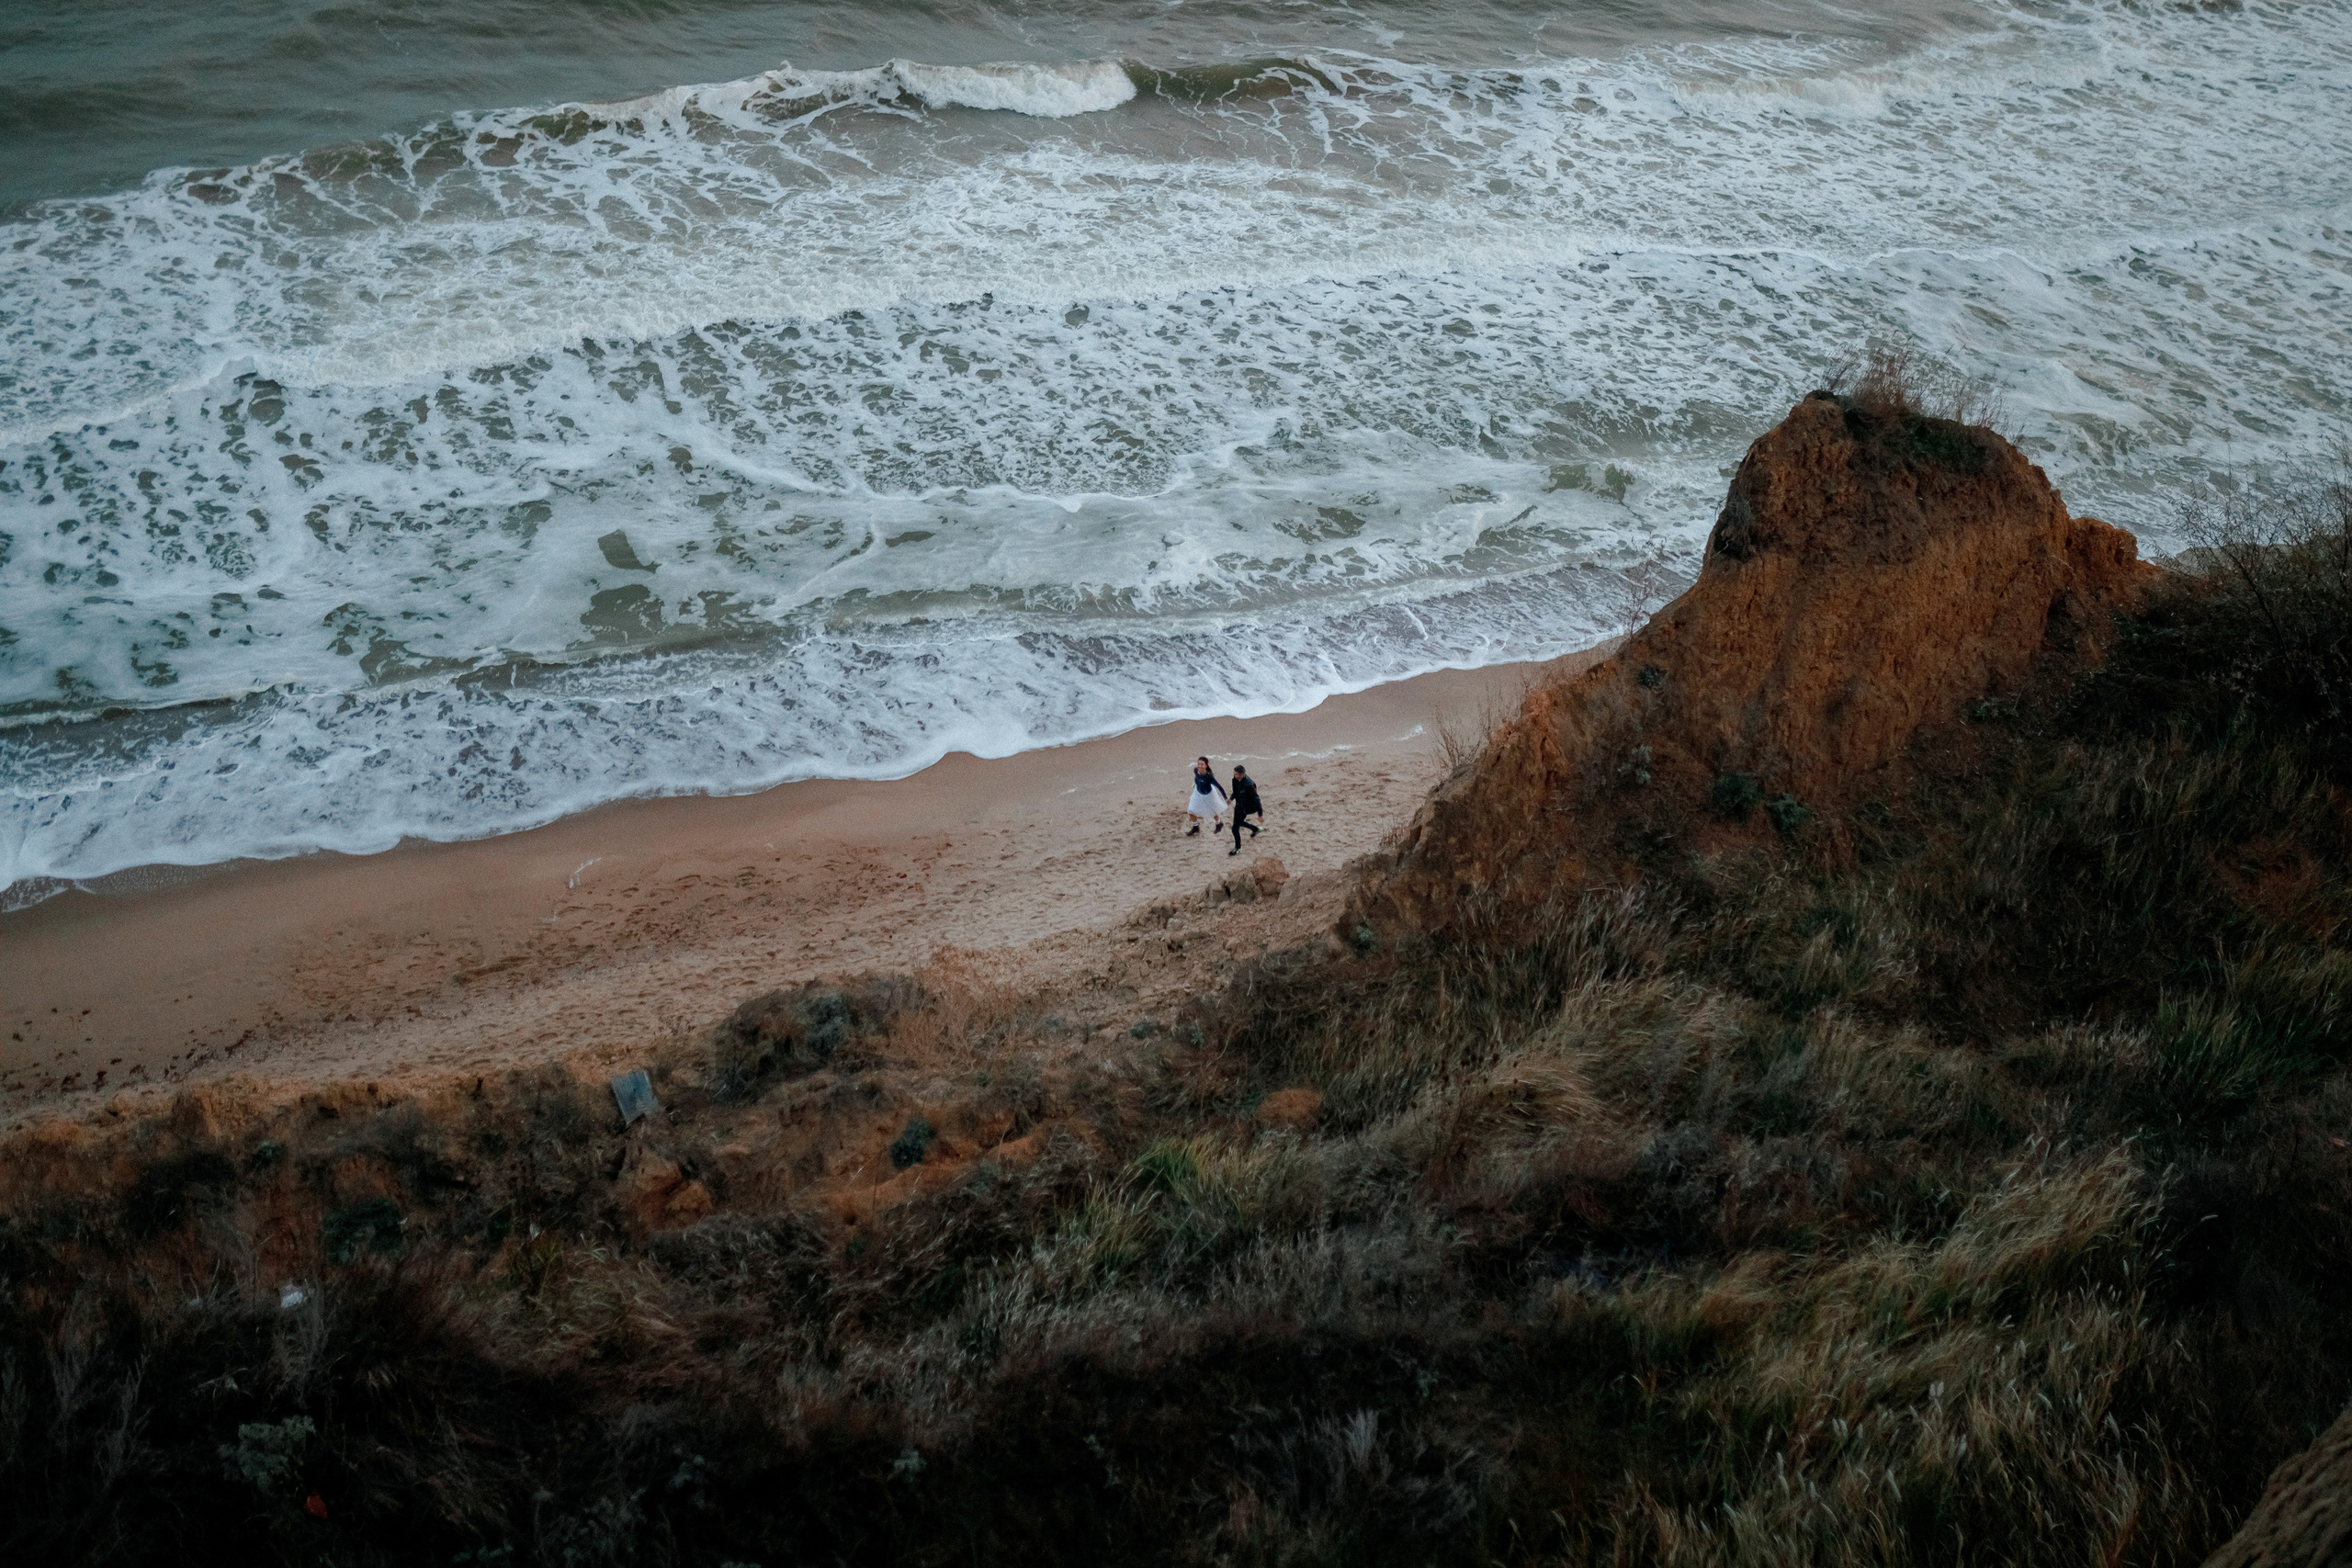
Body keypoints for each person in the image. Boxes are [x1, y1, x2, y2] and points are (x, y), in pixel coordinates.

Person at [1227, 763, 1264, 854]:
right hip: (1238, 805)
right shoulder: (1235, 779)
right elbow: (1235, 792)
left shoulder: (1249, 784)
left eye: (1236, 774)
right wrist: (1231, 799)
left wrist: (1260, 814)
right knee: (1239, 823)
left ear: (1242, 774)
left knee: (1234, 828)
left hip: (1246, 806)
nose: (1234, 775)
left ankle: (1238, 848)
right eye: (1234, 773)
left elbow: (1256, 799)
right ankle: (1255, 829)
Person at [1185, 756, 1226, 837]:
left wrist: (1226, 798)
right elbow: (1197, 778)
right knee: (1191, 810)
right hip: (1197, 793)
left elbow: (1219, 787)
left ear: (1206, 765)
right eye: (1198, 764)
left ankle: (1219, 823)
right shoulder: (1196, 771)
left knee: (1213, 811)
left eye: (1202, 764)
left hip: (1209, 795)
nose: (1200, 766)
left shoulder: (1209, 776)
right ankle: (1195, 827)